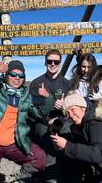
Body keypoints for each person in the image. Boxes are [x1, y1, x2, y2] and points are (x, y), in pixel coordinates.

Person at [0, 60, 54, 183]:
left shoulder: (25, 97)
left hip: (15, 143)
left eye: (21, 76)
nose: (17, 78)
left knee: (40, 158)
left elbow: (39, 114)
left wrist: (48, 98)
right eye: (13, 74)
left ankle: (22, 179)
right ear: (6, 76)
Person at [29, 49, 71, 182]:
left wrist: (64, 105)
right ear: (45, 62)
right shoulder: (37, 83)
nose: (52, 64)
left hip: (62, 121)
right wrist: (48, 120)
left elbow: (71, 110)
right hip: (42, 123)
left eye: (56, 62)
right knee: (50, 140)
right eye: (49, 61)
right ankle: (51, 178)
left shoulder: (66, 83)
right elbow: (34, 110)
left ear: (60, 63)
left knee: (67, 136)